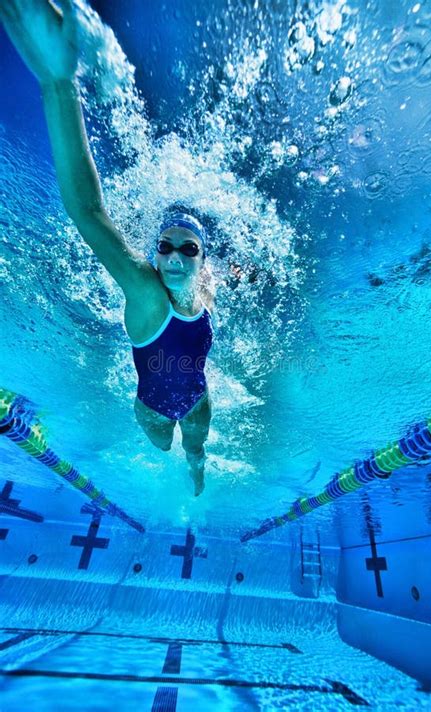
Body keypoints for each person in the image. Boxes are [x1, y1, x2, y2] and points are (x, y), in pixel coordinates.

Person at [0, 0, 214, 496]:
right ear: (155, 254)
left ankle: (195, 468)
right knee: (163, 447)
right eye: (166, 246)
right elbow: (87, 211)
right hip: (154, 410)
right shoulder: (146, 293)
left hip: (199, 402)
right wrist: (59, 85)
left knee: (196, 452)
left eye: (189, 248)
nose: (176, 255)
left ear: (202, 260)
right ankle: (177, 464)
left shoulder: (205, 288)